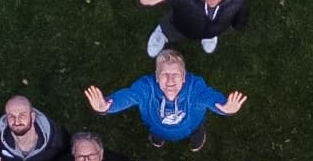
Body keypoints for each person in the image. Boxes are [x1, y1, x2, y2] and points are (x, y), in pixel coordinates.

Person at [85, 49, 247, 151]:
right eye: (164, 75)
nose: (170, 81)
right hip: (156, 125)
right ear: (156, 77)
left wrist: (224, 107)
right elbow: (128, 95)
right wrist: (107, 106)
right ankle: (158, 136)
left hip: (191, 125)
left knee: (195, 130)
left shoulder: (194, 87)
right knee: (157, 133)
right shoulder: (146, 87)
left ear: (184, 77)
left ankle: (196, 133)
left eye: (175, 75)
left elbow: (208, 96)